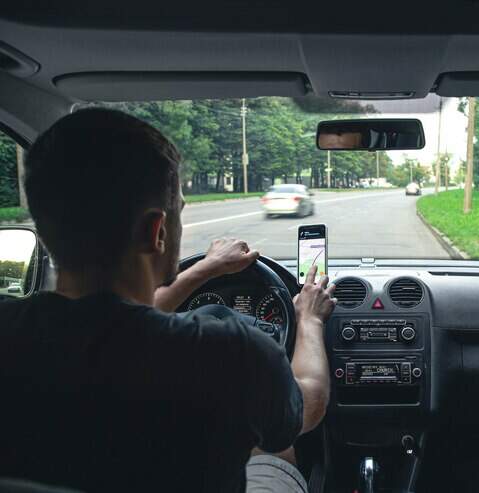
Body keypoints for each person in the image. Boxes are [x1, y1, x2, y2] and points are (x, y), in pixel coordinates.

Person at [0, 108, 334, 493]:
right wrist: (309, 319)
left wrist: (206, 269)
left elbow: (107, 326)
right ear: (157, 230)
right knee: (274, 450)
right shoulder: (233, 354)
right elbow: (309, 404)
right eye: (179, 213)